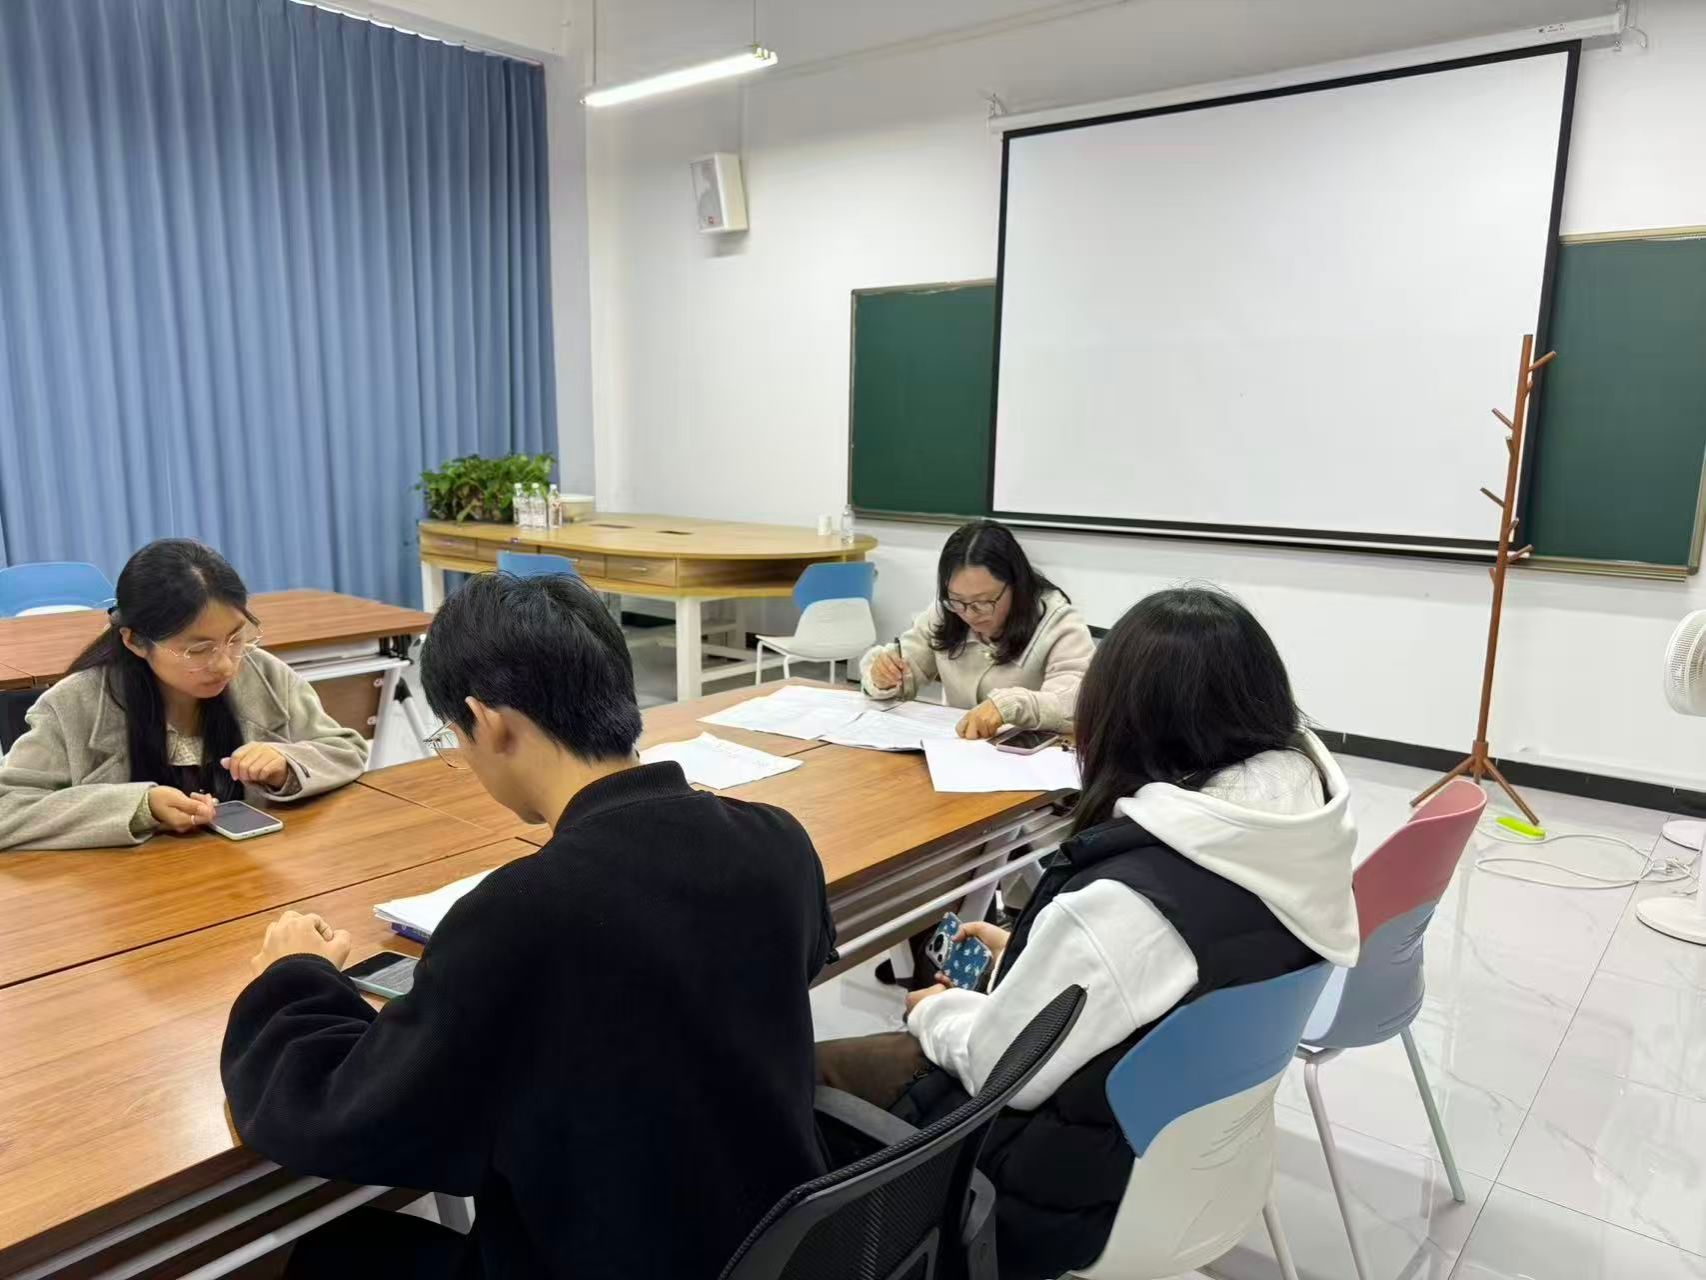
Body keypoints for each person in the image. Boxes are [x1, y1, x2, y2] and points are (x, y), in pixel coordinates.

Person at [221, 571, 837, 1279]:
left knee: (335, 1253)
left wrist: (296, 978)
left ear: (487, 722)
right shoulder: (778, 839)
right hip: (774, 1247)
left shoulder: (519, 913)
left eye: (455, 737)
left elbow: (339, 1117)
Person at [820, 587, 1360, 1280]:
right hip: (1196, 1164)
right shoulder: (1301, 829)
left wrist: (939, 1009)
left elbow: (995, 1067)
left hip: (1056, 1194)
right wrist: (1035, 956)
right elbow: (1150, 985)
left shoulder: (1128, 904)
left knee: (805, 1076)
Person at [0, 539, 367, 851]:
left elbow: (346, 749)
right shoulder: (74, 704)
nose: (224, 664)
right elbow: (7, 808)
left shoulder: (263, 674)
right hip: (125, 897)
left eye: (236, 638)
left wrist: (287, 765)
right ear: (135, 641)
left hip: (255, 879)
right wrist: (139, 807)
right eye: (198, 649)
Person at [860, 520, 1093, 739]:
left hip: (1026, 758)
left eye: (983, 602)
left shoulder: (1058, 623)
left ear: (1016, 584)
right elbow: (905, 666)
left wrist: (1010, 705)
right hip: (954, 750)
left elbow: (1076, 703)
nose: (970, 614)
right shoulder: (947, 613)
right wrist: (884, 675)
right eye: (958, 600)